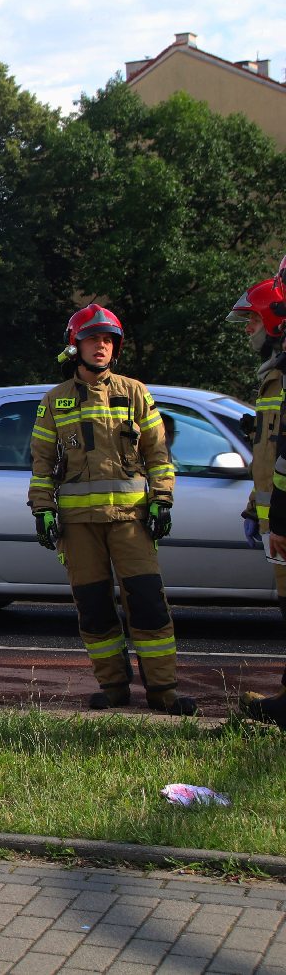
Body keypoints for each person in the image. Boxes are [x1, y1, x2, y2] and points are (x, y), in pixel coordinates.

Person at [28, 304, 194, 716]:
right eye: (92, 339)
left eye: (107, 340)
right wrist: (42, 510)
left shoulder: (134, 393)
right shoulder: (55, 401)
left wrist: (162, 499)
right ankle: (114, 688)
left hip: (131, 521)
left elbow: (158, 455)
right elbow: (41, 463)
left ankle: (164, 692)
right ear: (75, 345)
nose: (101, 346)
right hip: (79, 527)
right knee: (95, 608)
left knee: (149, 605)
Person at [243, 266, 286, 731]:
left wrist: (277, 516)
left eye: (253, 320)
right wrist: (254, 507)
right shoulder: (274, 376)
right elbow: (268, 456)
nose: (250, 329)